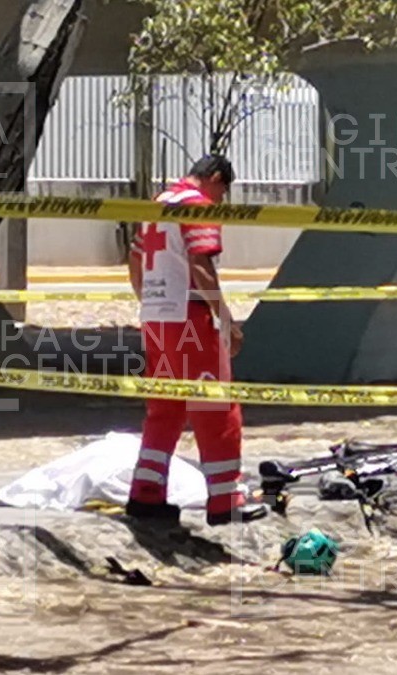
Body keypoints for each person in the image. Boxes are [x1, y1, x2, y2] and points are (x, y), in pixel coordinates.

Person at [126, 155, 268, 527]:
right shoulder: (197, 206)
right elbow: (201, 265)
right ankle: (225, 499)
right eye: (223, 192)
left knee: (164, 407)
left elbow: (135, 258)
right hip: (190, 315)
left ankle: (146, 492)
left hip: (156, 319)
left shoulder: (156, 205)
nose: (221, 202)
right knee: (216, 406)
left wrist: (149, 301)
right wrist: (226, 320)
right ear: (216, 178)